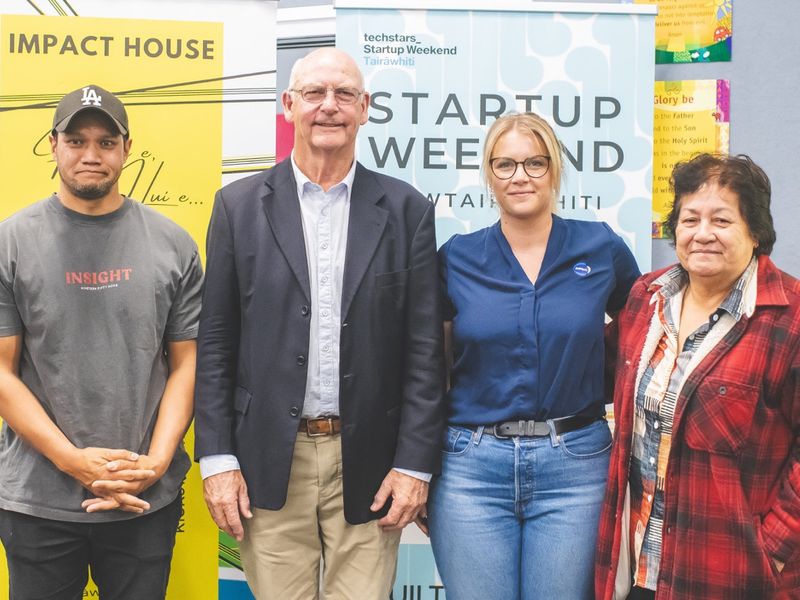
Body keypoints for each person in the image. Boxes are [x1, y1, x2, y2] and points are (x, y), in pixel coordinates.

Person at [194, 47, 445, 599]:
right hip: (266, 461)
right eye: (314, 94)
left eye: (344, 94)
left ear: (365, 108)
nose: (328, 107)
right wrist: (216, 458)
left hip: (371, 462)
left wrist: (414, 466)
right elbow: (214, 343)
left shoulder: (407, 211)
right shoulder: (237, 207)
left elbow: (425, 350)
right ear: (289, 105)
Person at [0, 84, 203, 599]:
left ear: (127, 148)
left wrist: (156, 463)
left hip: (144, 497)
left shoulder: (174, 243)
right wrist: (74, 461)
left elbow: (187, 365)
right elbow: (2, 372)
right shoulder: (11, 242)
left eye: (106, 142)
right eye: (77, 141)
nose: (91, 155)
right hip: (38, 500)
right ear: (53, 145)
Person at [427, 112, 640, 599]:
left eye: (535, 163)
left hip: (576, 467)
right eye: (505, 165)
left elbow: (643, 334)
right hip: (470, 467)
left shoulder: (600, 246)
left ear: (555, 170)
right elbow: (428, 367)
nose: (520, 176)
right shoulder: (456, 256)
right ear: (489, 174)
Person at [595, 153, 800, 599]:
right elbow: (587, 371)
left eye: (722, 220)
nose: (702, 234)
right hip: (637, 566)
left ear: (756, 231)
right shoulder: (645, 300)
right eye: (690, 219)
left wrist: (772, 550)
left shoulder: (791, 318)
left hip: (731, 574)